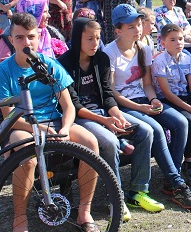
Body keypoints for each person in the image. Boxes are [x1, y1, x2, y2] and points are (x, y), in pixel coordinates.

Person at [0, 12, 103, 232]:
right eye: (20, 37)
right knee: (26, 155)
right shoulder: (2, 71)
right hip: (22, 127)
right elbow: (9, 115)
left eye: (31, 37)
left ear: (39, 37)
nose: (26, 43)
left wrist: (63, 128)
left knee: (91, 143)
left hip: (54, 124)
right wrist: (41, 130)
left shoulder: (49, 64)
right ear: (11, 39)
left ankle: (84, 212)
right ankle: (19, 225)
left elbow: (69, 106)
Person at [59, 17, 162, 220]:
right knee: (110, 142)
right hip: (80, 117)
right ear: (77, 38)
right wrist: (106, 122)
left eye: (97, 38)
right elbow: (73, 105)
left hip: (103, 112)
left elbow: (107, 95)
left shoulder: (101, 59)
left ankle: (138, 191)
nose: (95, 43)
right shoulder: (64, 63)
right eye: (89, 39)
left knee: (145, 132)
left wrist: (115, 116)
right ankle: (115, 198)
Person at [103, 4, 191, 208]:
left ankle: (169, 178)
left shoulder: (144, 48)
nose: (138, 29)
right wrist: (140, 108)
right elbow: (112, 92)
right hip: (125, 106)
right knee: (155, 130)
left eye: (139, 24)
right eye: (131, 26)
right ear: (118, 30)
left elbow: (147, 84)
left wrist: (153, 99)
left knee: (181, 122)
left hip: (145, 101)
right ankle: (176, 183)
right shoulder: (109, 52)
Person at [152, 23, 191, 189]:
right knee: (190, 120)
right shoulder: (160, 61)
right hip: (168, 100)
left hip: (186, 97)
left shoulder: (187, 58)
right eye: (172, 40)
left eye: (180, 38)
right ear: (163, 42)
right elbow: (166, 93)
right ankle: (188, 162)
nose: (178, 42)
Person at [0, 0, 67, 65]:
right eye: (44, 12)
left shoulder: (51, 32)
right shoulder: (10, 33)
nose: (49, 16)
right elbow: (2, 66)